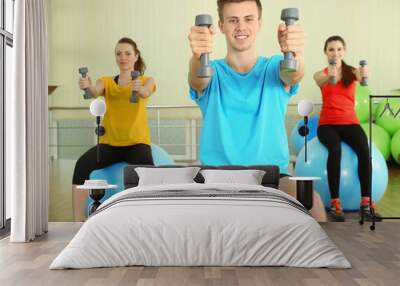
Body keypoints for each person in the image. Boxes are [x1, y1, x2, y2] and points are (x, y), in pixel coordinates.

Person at [187, 0, 326, 221]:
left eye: (248, 19)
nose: (241, 27)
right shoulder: (210, 71)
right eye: (233, 20)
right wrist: (197, 55)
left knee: (313, 203)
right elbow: (197, 77)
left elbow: (293, 73)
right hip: (217, 176)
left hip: (273, 176)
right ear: (221, 26)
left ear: (259, 23)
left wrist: (296, 53)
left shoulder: (275, 67)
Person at [72, 37, 156, 222]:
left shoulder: (146, 80)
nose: (123, 57)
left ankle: (148, 220)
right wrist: (87, 86)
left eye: (127, 53)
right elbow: (94, 91)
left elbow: (146, 92)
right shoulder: (107, 82)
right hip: (110, 145)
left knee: (151, 177)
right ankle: (77, 222)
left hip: (137, 143)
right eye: (119, 53)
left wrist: (139, 88)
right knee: (81, 166)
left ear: (136, 56)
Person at [314, 35, 382, 222]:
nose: (335, 53)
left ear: (344, 51)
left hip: (350, 123)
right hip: (327, 125)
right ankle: (336, 203)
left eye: (338, 49)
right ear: (325, 53)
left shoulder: (352, 72)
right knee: (335, 150)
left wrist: (365, 72)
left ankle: (366, 204)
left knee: (364, 150)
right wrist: (331, 74)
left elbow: (362, 77)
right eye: (331, 49)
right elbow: (320, 80)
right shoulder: (320, 74)